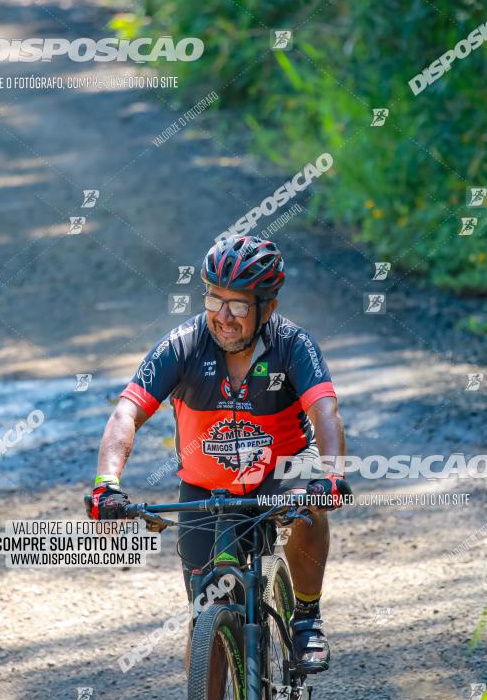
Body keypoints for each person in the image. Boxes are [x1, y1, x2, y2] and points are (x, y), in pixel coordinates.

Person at [85, 235, 349, 673]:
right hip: (205, 488)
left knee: (311, 505)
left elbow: (325, 410)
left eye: (239, 306)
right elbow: (126, 414)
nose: (223, 317)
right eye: (214, 299)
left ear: (269, 306)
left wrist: (333, 476)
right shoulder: (182, 345)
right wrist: (106, 483)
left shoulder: (293, 346)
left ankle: (306, 617)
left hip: (282, 471)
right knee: (205, 624)